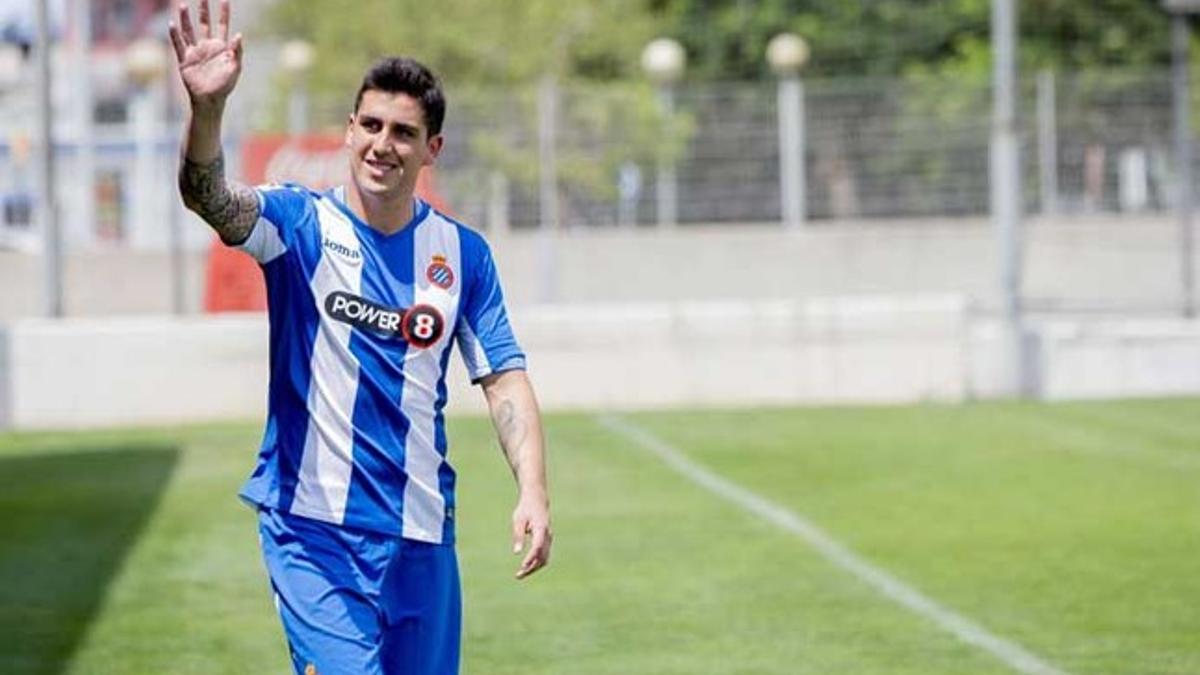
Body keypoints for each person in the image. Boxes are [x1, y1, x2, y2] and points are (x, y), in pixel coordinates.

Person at [168, 2, 552, 673]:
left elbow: (502, 377)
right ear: (348, 132)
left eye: (404, 132)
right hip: (312, 529)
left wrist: (534, 489)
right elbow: (208, 196)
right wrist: (207, 113)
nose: (382, 143)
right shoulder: (298, 224)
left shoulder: (462, 255)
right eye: (370, 124)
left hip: (422, 535)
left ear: (432, 148)